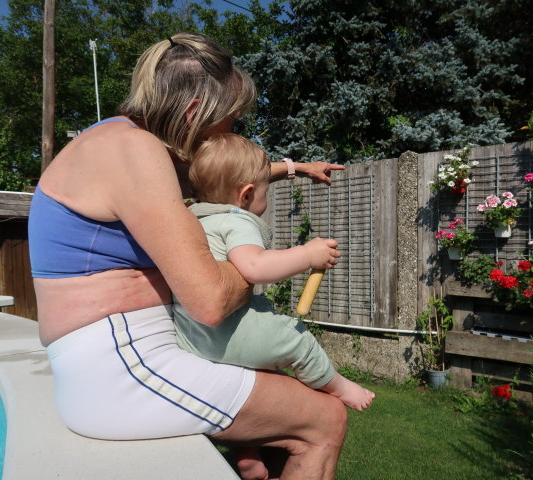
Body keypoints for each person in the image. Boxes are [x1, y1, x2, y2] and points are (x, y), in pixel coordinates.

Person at [28, 32, 347, 480]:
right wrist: (255, 264)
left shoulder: (119, 143)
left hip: (127, 353)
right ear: (195, 112)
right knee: (324, 418)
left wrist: (293, 168)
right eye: (230, 122)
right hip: (119, 365)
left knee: (268, 447)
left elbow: (223, 177)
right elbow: (210, 301)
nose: (231, 135)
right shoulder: (133, 151)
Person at [173, 133, 375, 413]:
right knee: (298, 340)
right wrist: (307, 254)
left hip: (190, 335)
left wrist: (297, 167)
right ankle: (340, 386)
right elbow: (255, 267)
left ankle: (250, 452)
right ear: (246, 195)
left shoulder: (191, 217)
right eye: (265, 191)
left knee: (255, 371)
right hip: (225, 334)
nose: (265, 198)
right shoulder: (235, 220)